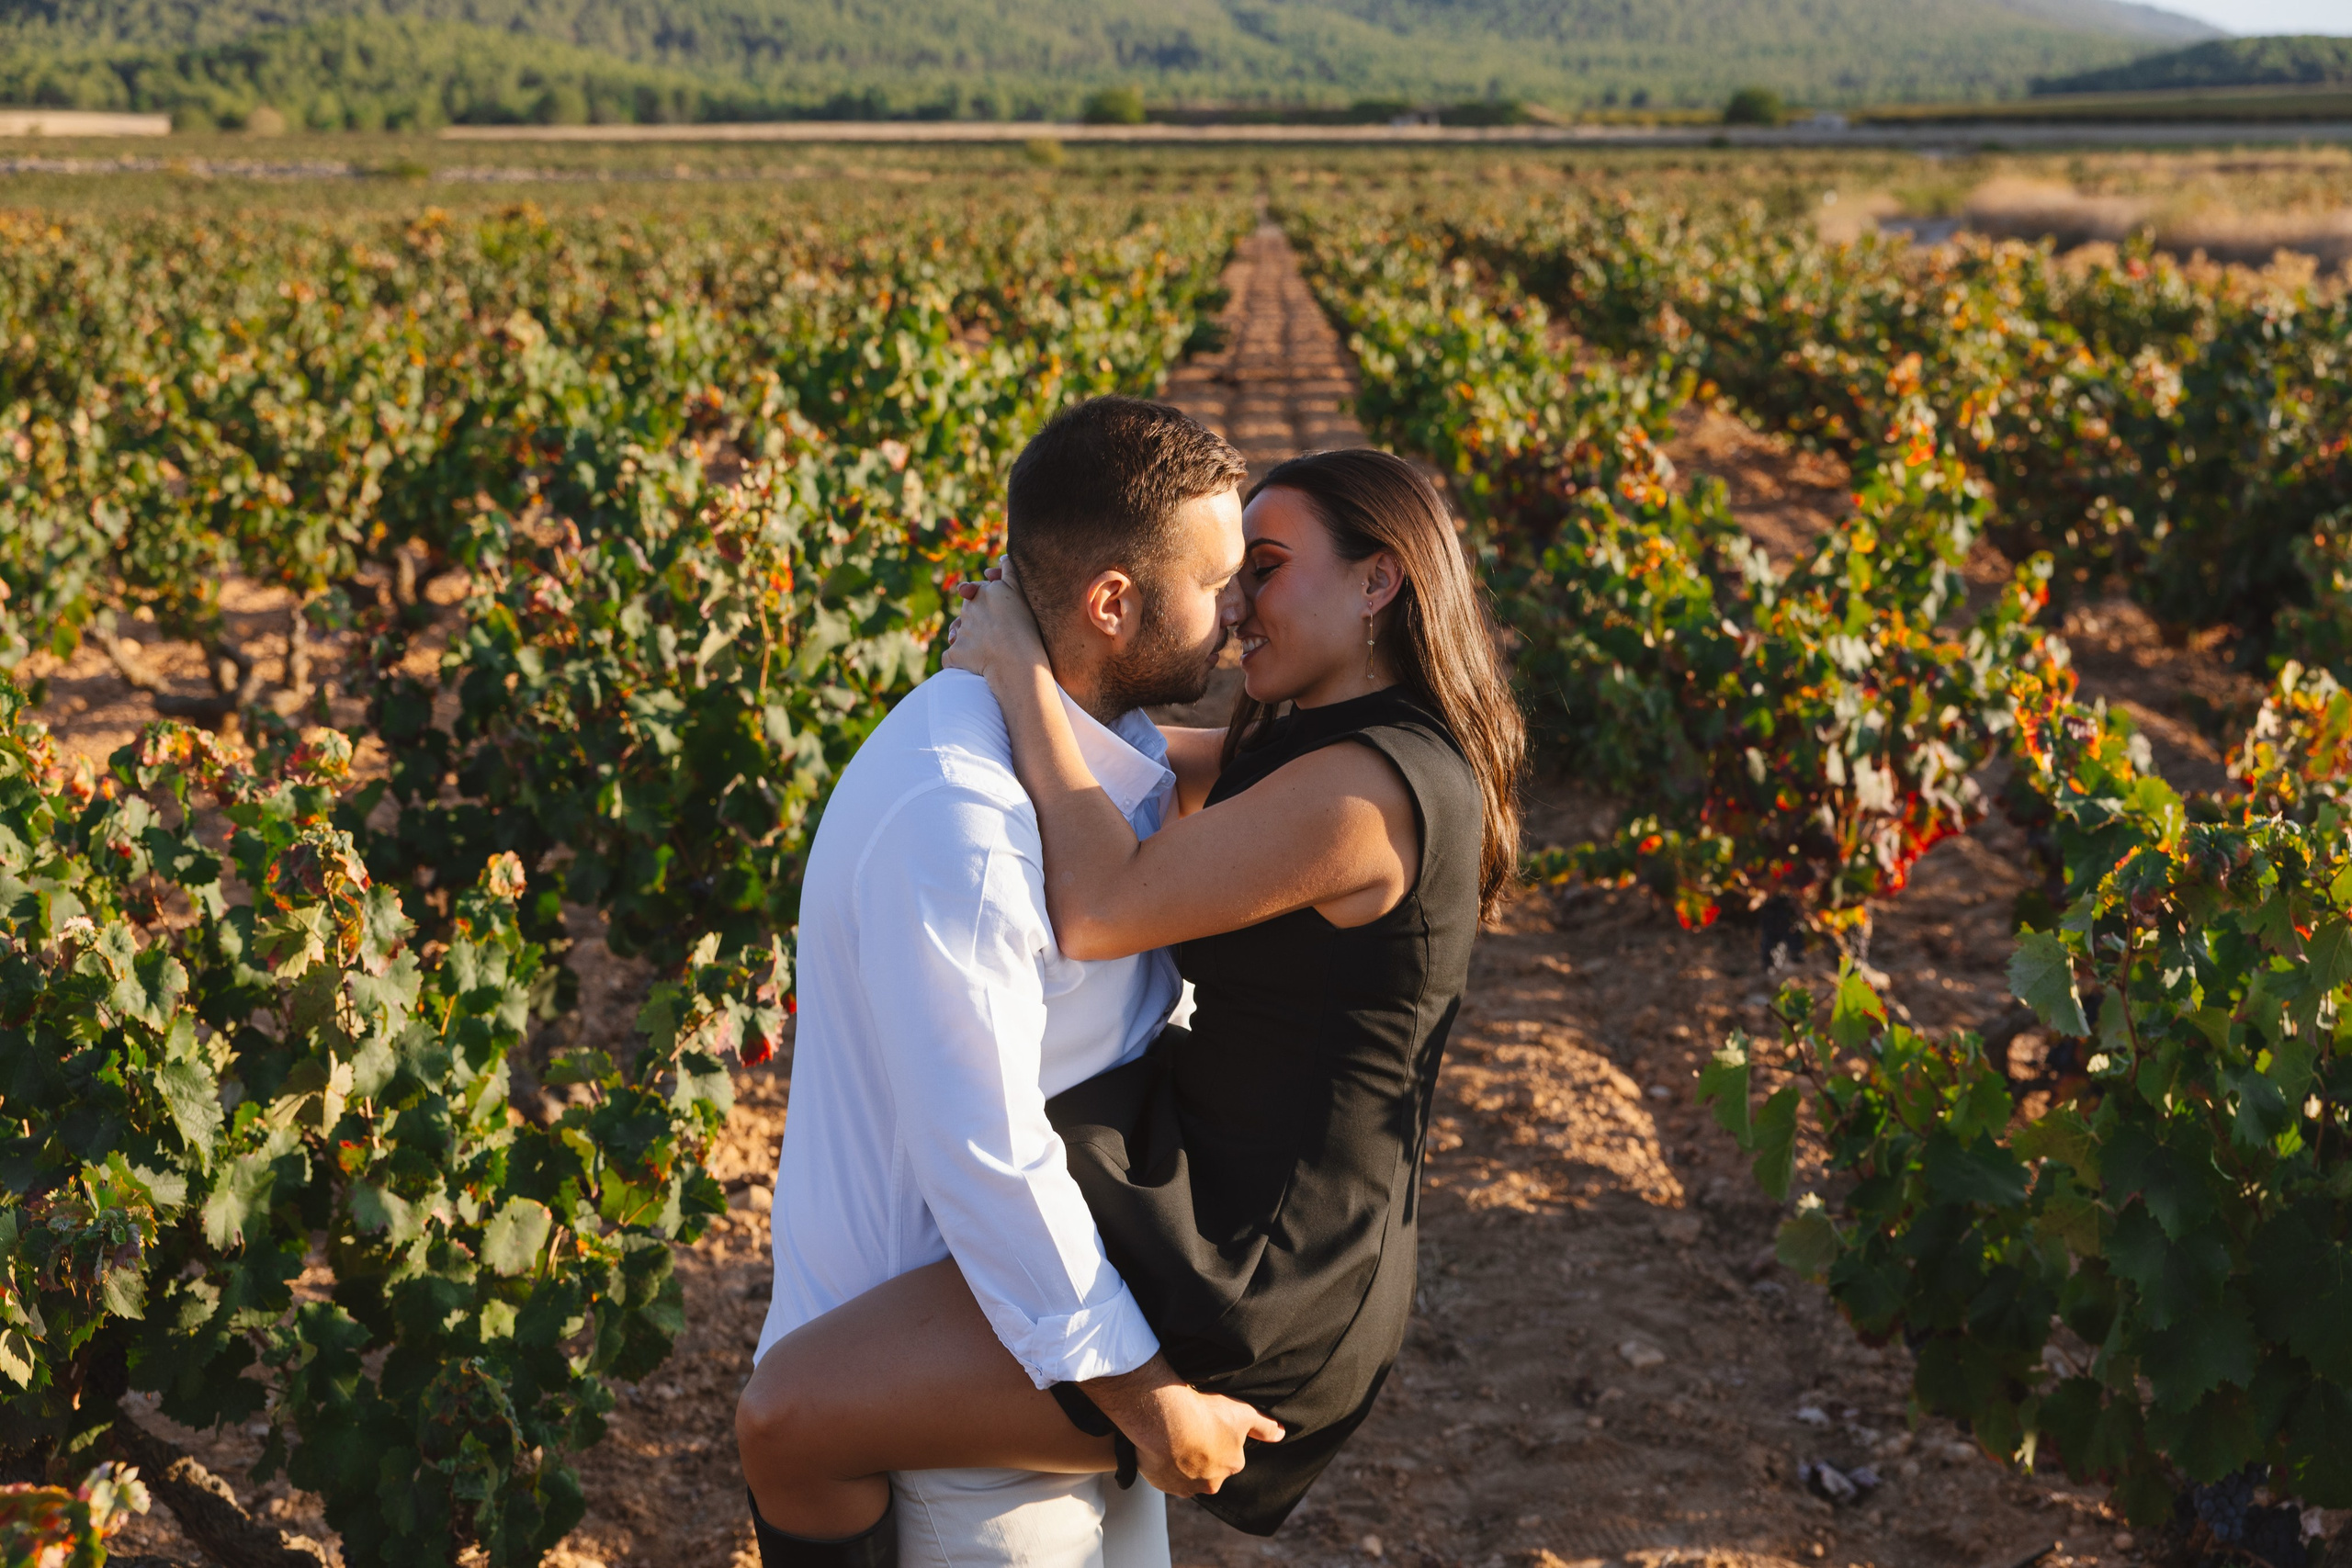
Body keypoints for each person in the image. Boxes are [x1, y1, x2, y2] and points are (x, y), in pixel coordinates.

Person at [739, 437, 1524, 1560]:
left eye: (1262, 567)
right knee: (804, 1407)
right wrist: (1045, 669)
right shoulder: (1315, 747)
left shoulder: (1366, 794)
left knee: (790, 1415)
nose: (1241, 608)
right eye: (1228, 577)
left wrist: (1015, 669)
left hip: (1257, 1254)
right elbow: (1135, 762)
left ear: (1375, 581)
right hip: (1206, 1187)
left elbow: (1103, 902)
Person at [739, 396, 1276, 1568]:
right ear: (1112, 604)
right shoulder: (963, 823)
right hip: (958, 1407)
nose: (1242, 613)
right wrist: (1143, 1398)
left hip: (1057, 1350)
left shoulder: (1085, 754)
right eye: (1219, 582)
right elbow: (984, 1152)